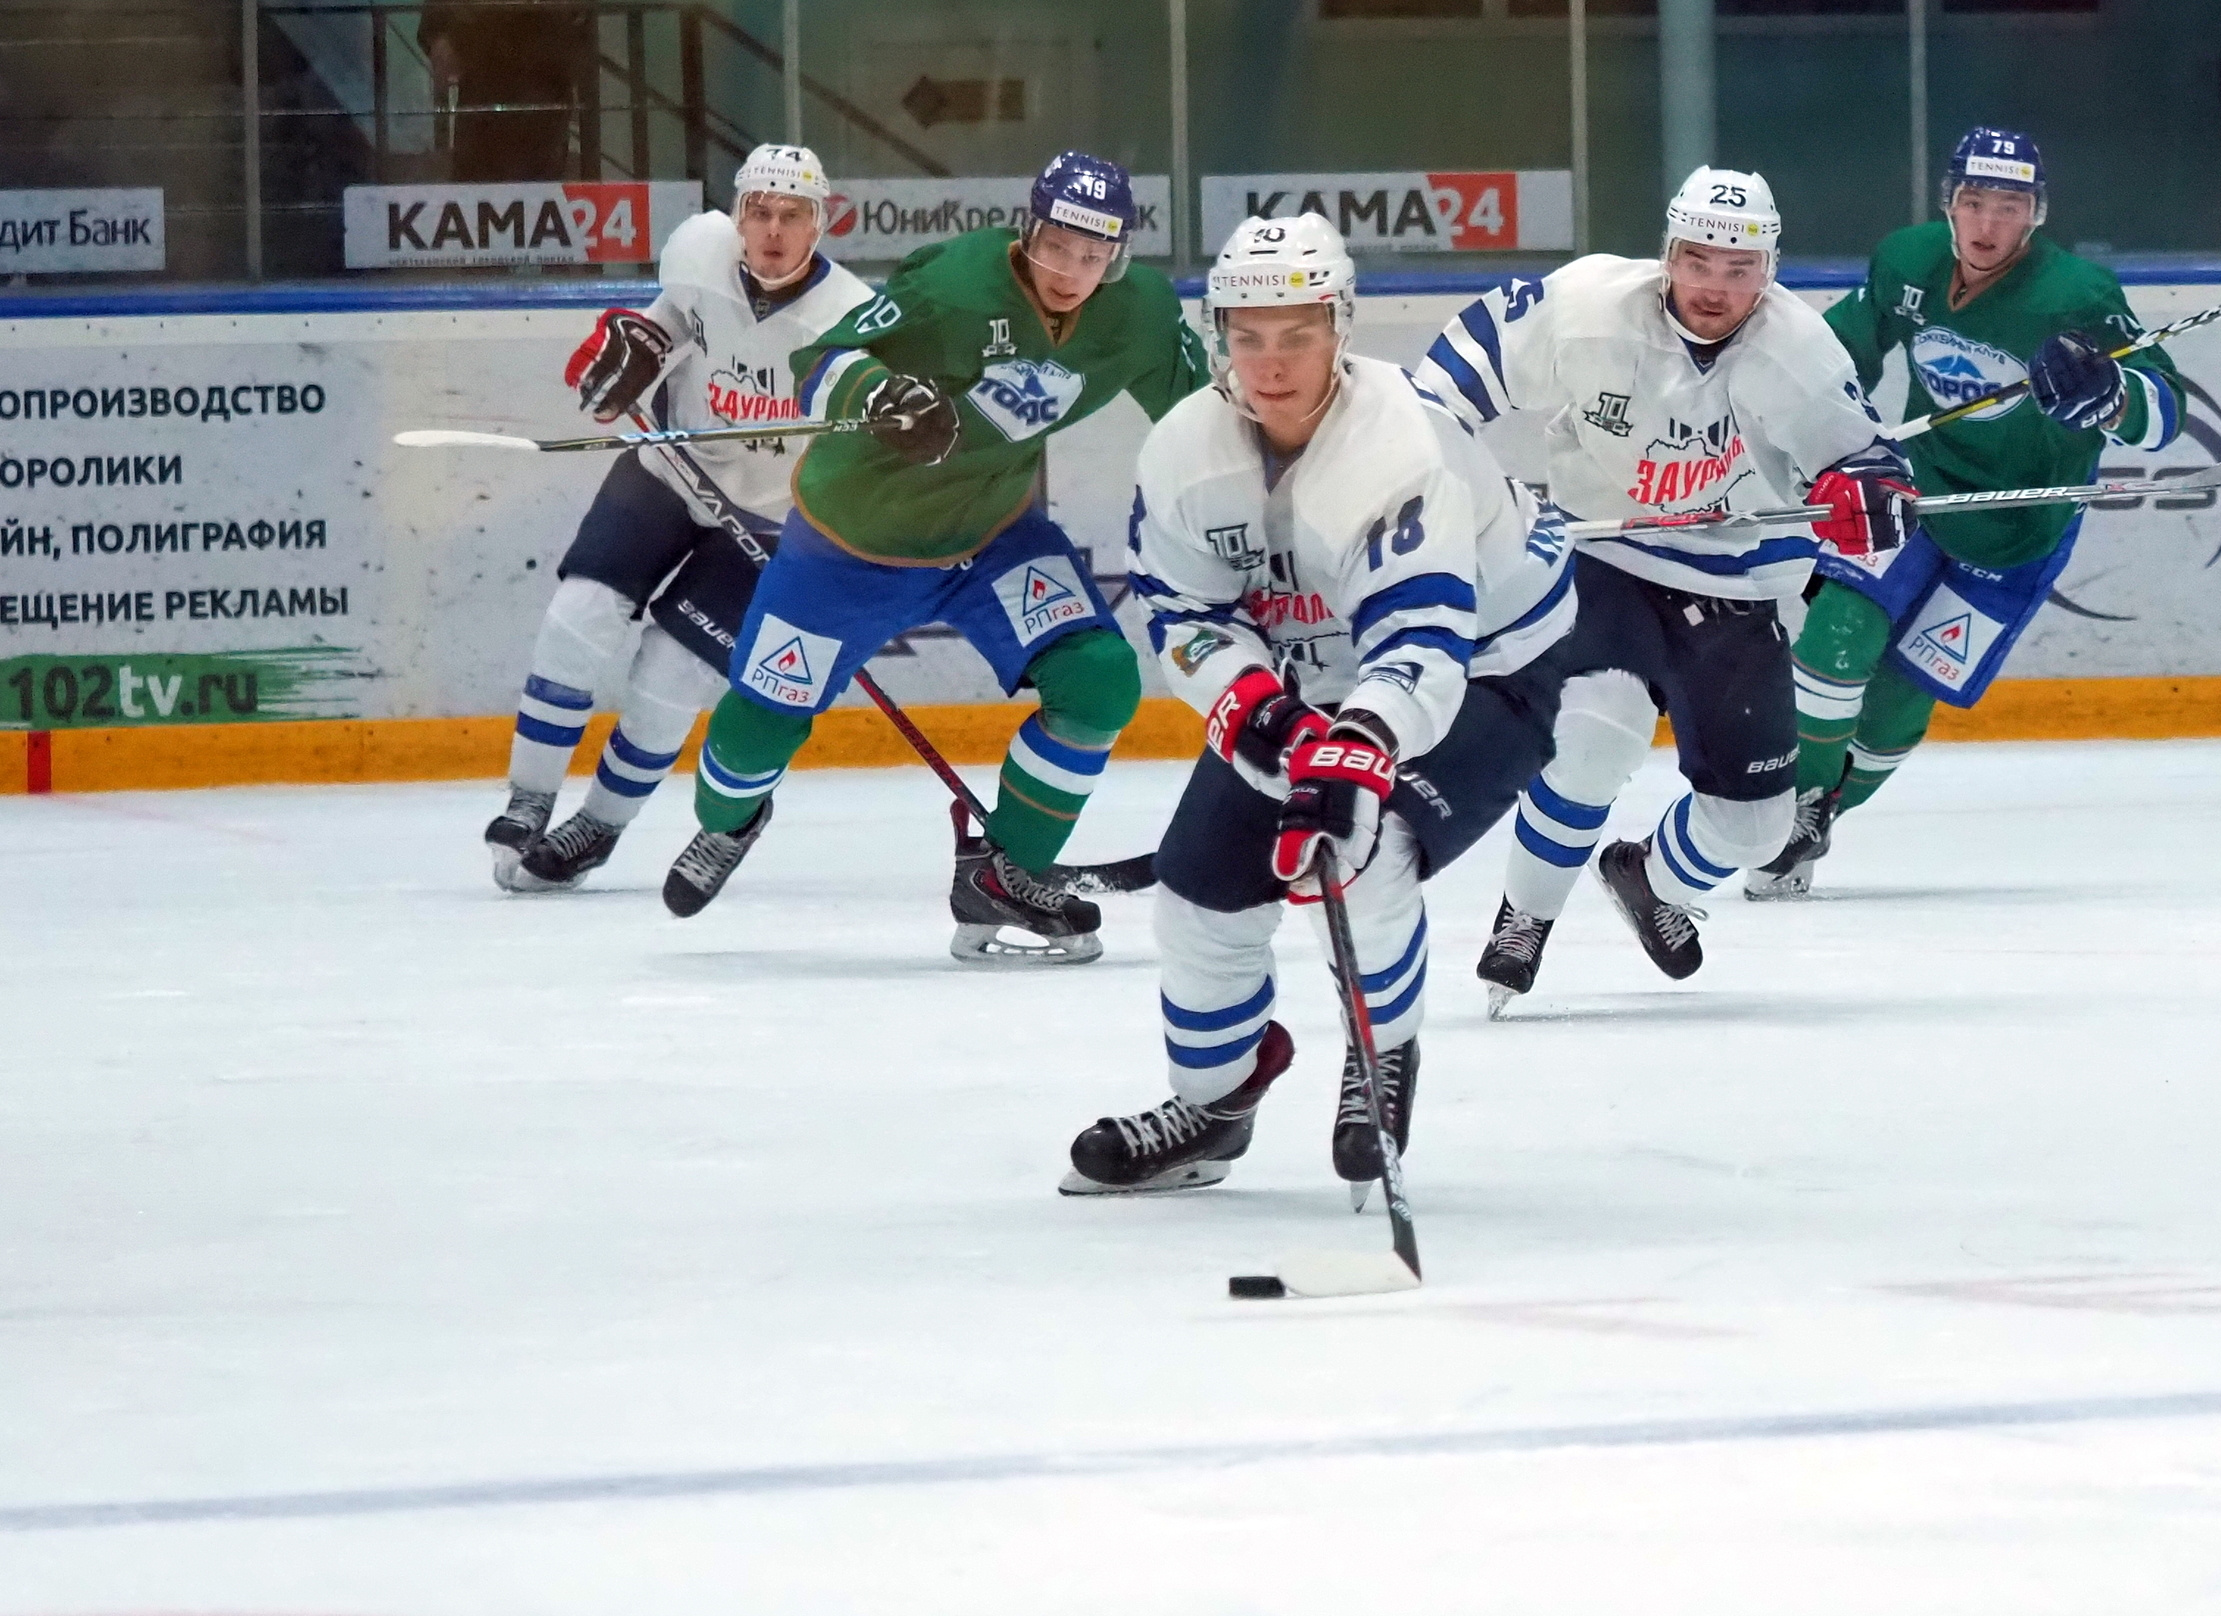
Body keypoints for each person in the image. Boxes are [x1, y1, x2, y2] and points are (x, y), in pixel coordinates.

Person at [1058, 213, 1577, 1196]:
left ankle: (1381, 1054)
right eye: (1246, 335)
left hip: (1492, 666)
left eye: (1297, 333)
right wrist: (1258, 711)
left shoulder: (1402, 438)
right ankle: (1216, 1104)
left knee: (1358, 850)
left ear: (1341, 327)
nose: (1270, 360)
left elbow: (1421, 632)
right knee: (1197, 895)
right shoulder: (1184, 449)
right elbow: (1182, 607)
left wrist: (1362, 741)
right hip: (1306, 684)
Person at [660, 152, 1211, 966]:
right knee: (749, 742)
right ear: (1029, 230)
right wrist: (878, 397)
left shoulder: (1140, 314)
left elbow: (1207, 422)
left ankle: (1004, 875)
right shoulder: (953, 285)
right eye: (1058, 246)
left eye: (1097, 255)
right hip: (850, 544)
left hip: (991, 536)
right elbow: (822, 363)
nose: (1073, 272)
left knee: (1097, 679)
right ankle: (734, 820)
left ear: (1120, 256)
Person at [1409, 168, 1914, 1012]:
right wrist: (1440, 484)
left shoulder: (1801, 352)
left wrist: (1868, 497)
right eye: (1699, 260)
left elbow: (1868, 471)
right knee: (1593, 741)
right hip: (1604, 561)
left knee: (1759, 833)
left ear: (1771, 269)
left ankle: (1648, 874)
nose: (1716, 286)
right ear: (1667, 254)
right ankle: (1524, 917)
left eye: (1740, 268)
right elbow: (1441, 389)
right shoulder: (1586, 308)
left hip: (1735, 588)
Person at [1754, 127, 2185, 898]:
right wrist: (1783, 420)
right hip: (1916, 492)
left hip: (2016, 530)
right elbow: (1835, 355)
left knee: (1893, 707)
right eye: (1974, 203)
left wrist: (2112, 397)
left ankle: (1817, 816)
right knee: (1836, 635)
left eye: (2009, 208)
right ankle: (1785, 823)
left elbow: (2166, 412)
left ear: (2037, 214)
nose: (1988, 225)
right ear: (1948, 203)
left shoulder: (2079, 296)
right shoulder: (1906, 259)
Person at [483, 144, 870, 892]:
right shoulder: (700, 253)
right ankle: (528, 798)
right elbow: (659, 331)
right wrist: (621, 361)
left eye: (792, 214)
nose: (773, 230)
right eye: (759, 210)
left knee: (670, 678)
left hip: (766, 516)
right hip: (667, 468)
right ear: (737, 212)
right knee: (579, 614)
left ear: (822, 223)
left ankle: (598, 826)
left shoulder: (846, 316)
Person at [418, 0, 593, 183]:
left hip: (540, 94)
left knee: (536, 184)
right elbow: (434, 27)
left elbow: (576, 20)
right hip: (483, 96)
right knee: (479, 186)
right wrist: (442, 39)